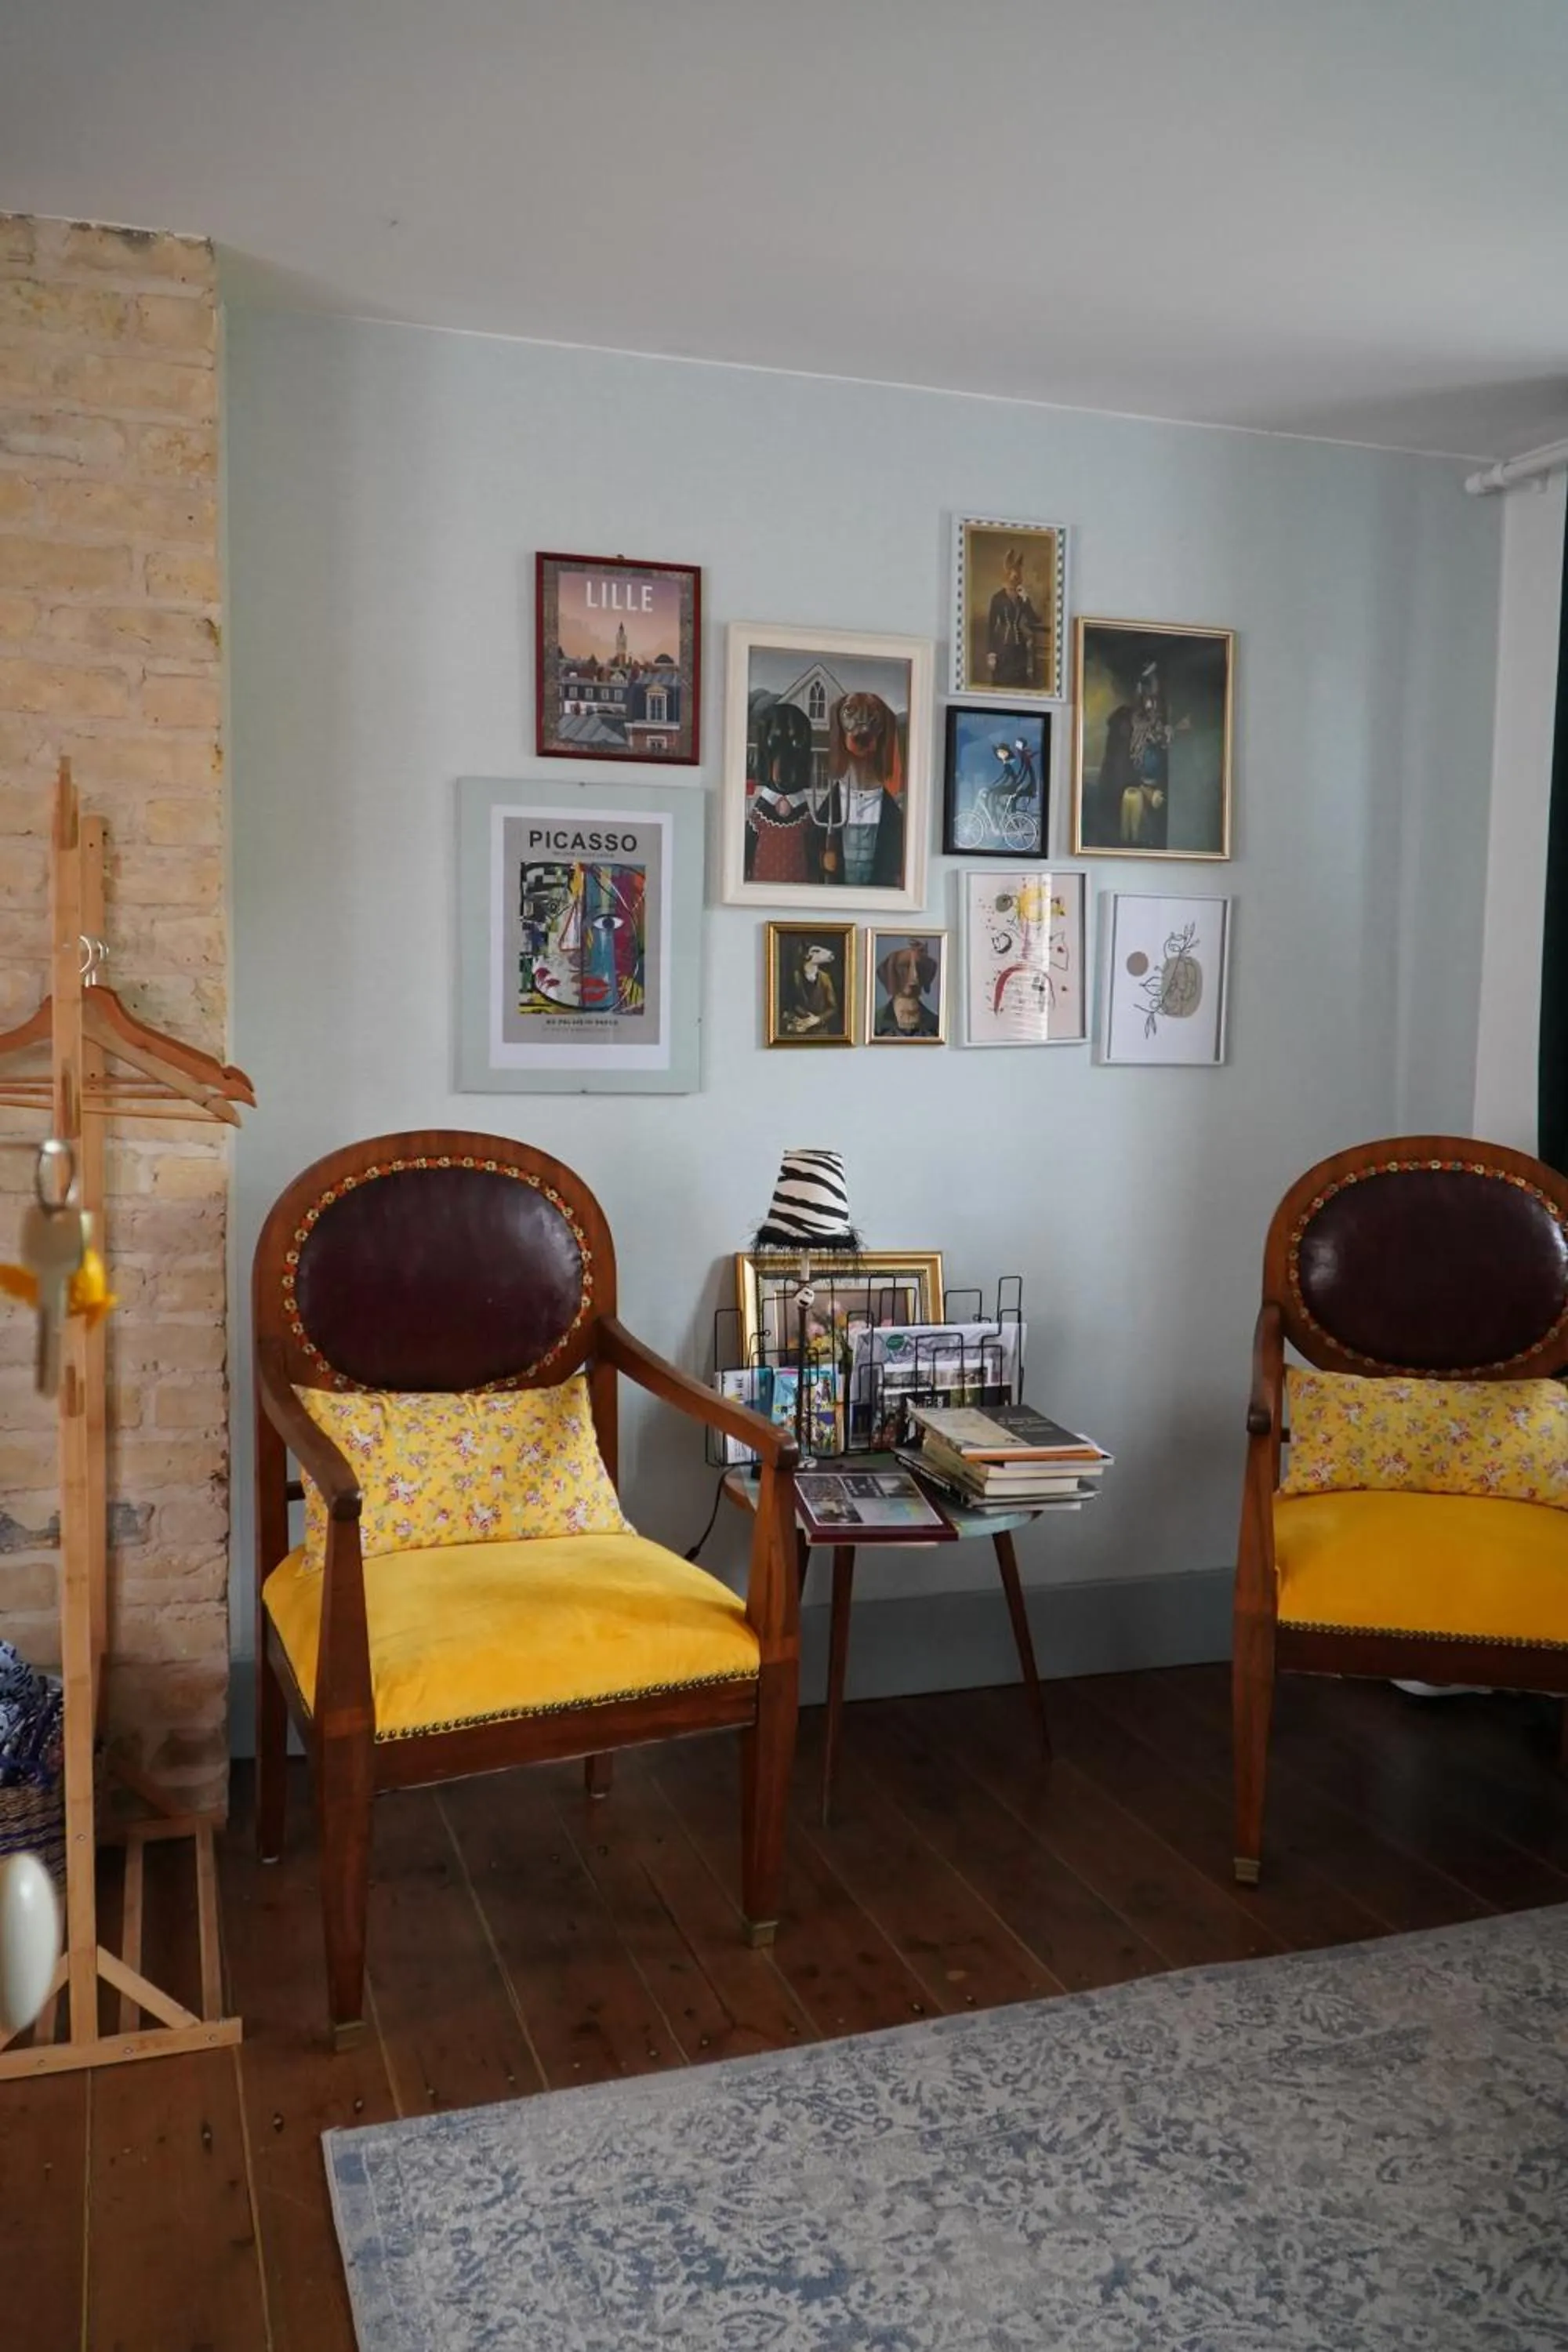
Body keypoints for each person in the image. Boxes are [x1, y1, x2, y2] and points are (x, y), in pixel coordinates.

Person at [985, 547, 1046, 690]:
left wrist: (1026, 600)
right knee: (1002, 684)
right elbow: (991, 625)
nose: (1014, 579)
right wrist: (991, 653)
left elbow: (1034, 620)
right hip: (1002, 648)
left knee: (1019, 685)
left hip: (1019, 649)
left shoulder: (1021, 598)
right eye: (1012, 576)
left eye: (1016, 576)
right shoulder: (997, 598)